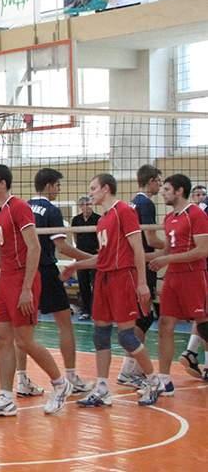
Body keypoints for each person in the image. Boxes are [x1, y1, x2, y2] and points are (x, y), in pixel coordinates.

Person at [0, 165, 73, 418]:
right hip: (6, 281)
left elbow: (35, 248)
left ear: (2, 183)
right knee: (2, 338)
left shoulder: (19, 207)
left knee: (24, 340)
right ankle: (5, 398)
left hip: (23, 279)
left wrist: (27, 288)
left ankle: (60, 383)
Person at [61, 173, 161, 407]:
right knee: (100, 334)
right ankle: (102, 388)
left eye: (93, 188)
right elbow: (102, 258)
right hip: (103, 279)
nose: (91, 193)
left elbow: (138, 249)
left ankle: (154, 381)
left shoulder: (124, 211)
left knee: (126, 336)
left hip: (122, 278)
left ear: (106, 188)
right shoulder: (103, 220)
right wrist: (76, 265)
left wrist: (142, 282)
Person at [17, 168, 93, 397]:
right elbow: (62, 247)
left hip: (24, 272)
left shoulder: (22, 206)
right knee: (64, 324)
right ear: (49, 185)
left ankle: (22, 380)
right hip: (46, 271)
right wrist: (93, 259)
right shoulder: (51, 210)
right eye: (58, 185)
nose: (58, 190)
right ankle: (70, 377)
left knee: (23, 330)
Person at [147, 174, 208, 396]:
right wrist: (134, 258)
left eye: (166, 189)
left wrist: (167, 259)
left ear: (179, 191)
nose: (162, 193)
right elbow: (166, 252)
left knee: (204, 325)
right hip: (173, 276)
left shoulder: (196, 214)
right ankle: (164, 380)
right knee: (165, 324)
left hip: (193, 276)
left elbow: (203, 250)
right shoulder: (169, 217)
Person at [116, 165, 165, 389]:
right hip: (141, 265)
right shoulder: (146, 203)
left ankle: (132, 369)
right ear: (151, 180)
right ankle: (129, 371)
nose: (160, 186)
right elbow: (151, 238)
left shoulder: (132, 202)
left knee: (141, 317)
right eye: (159, 181)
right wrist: (174, 247)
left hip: (133, 264)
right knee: (142, 318)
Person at [178, 184, 208, 380]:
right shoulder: (198, 211)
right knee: (204, 315)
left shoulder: (194, 211)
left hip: (196, 267)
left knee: (202, 315)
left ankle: (191, 352)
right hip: (201, 267)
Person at [71, 196, 101, 320]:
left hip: (95, 256)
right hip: (81, 256)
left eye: (89, 204)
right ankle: (86, 311)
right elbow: (75, 236)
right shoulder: (76, 220)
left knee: (96, 284)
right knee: (83, 284)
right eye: (84, 205)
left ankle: (96, 310)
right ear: (80, 207)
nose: (87, 207)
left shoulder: (98, 219)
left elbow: (101, 235)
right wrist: (78, 249)